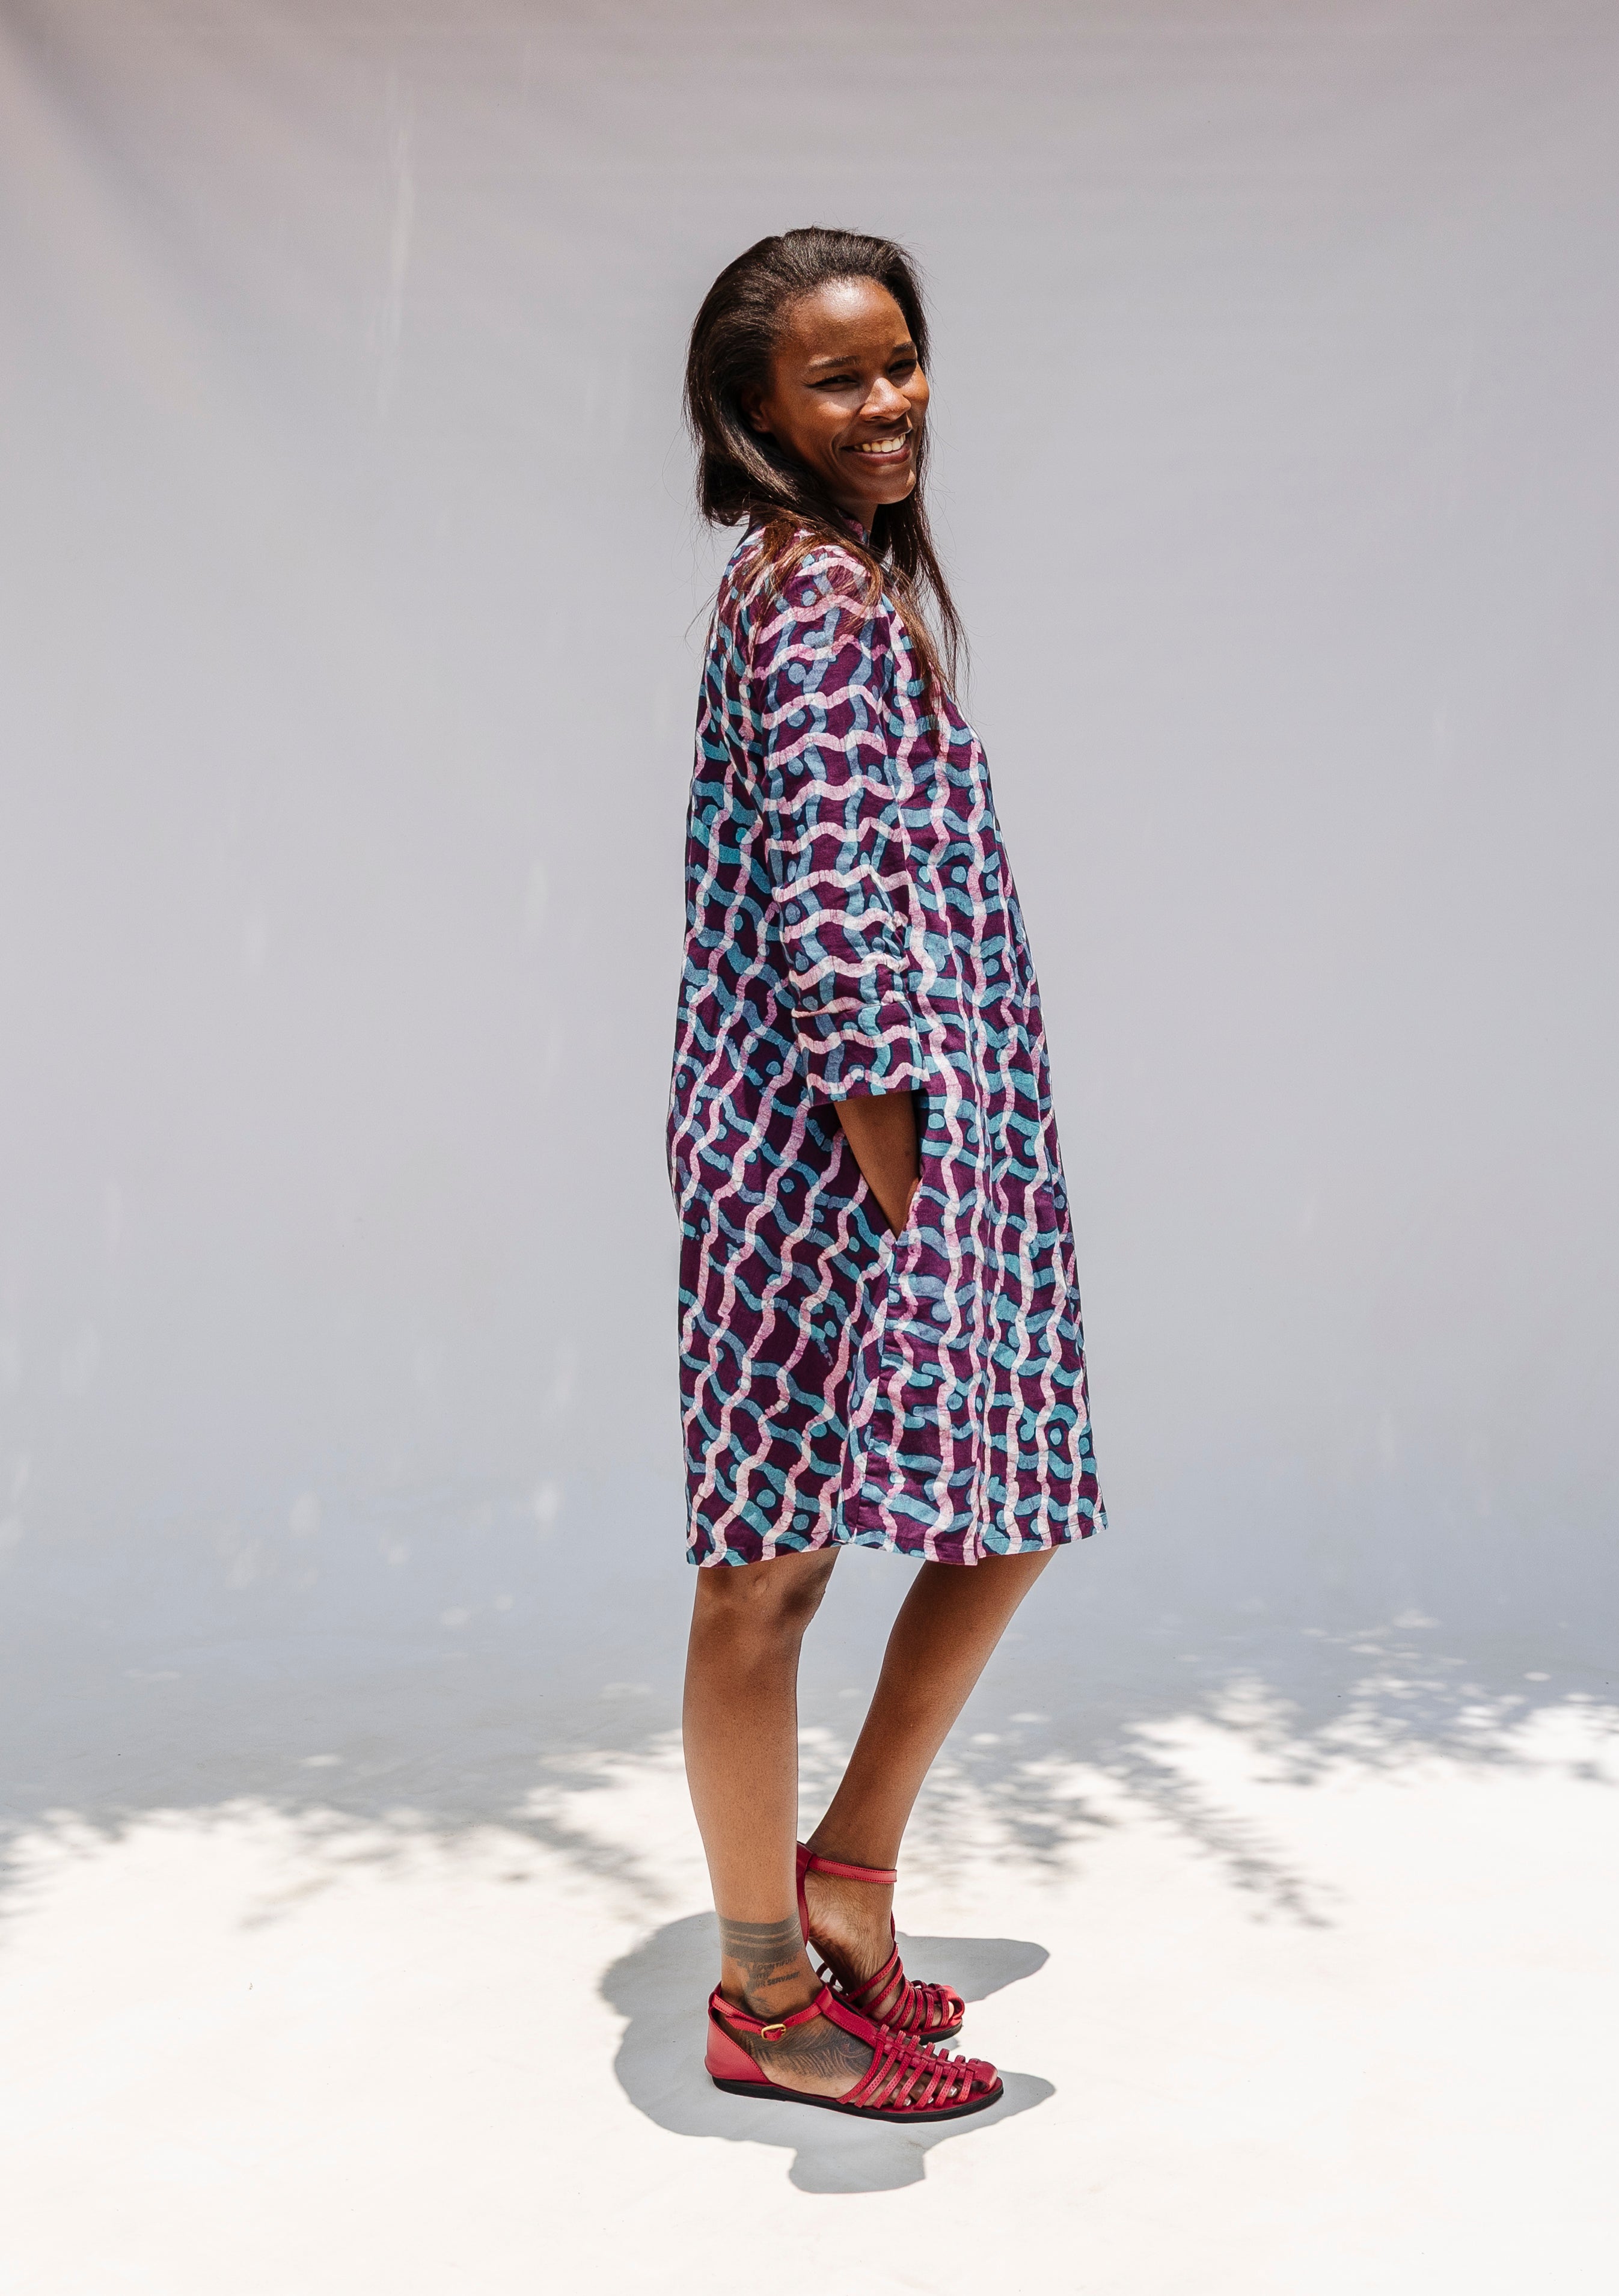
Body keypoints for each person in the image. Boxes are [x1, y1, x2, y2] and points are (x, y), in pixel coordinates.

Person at [669, 227, 1104, 2123]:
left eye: (901, 361)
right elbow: (840, 929)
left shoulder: (836, 589)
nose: (888, 402)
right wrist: (920, 1199)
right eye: (838, 379)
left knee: (1010, 1488)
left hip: (911, 1137)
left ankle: (843, 1869)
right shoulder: (813, 603)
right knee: (765, 1577)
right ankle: (764, 1994)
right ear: (756, 416)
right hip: (836, 1155)